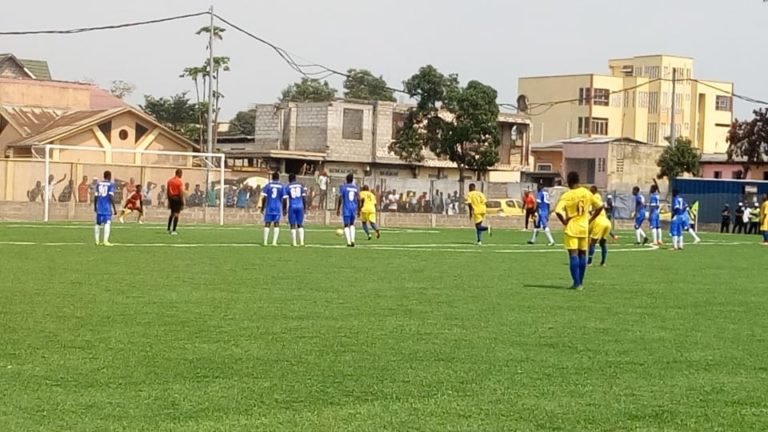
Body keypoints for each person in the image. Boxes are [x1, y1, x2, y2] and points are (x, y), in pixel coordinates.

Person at [555, 171, 602, 289]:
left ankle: (576, 283)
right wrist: (591, 219)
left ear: (568, 182)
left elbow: (557, 211)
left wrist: (564, 221)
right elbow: (600, 207)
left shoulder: (567, 195)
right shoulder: (586, 193)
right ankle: (580, 282)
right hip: (584, 227)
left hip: (571, 228)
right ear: (578, 181)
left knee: (573, 254)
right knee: (582, 254)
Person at [588, 186, 612, 267]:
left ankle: (589, 262)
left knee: (592, 243)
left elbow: (590, 210)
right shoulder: (599, 198)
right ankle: (603, 262)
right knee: (603, 243)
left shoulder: (592, 199)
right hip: (607, 222)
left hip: (599, 222)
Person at [261, 172, 285, 246]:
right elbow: (284, 199)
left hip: (269, 206)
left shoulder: (268, 186)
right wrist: (284, 209)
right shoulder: (281, 186)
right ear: (278, 178)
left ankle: (265, 242)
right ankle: (274, 242)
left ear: (272, 177)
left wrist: (262, 207)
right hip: (277, 207)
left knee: (267, 223)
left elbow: (264, 197)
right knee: (276, 223)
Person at [93, 170, 117, 246]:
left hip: (99, 207)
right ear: (109, 176)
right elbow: (111, 196)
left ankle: (97, 241)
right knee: (107, 223)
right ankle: (105, 241)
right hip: (106, 208)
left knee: (98, 224)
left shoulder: (98, 184)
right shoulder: (111, 184)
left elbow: (96, 196)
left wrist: (95, 206)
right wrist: (114, 208)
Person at [284, 174, 307, 247]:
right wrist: (305, 207)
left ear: (289, 179)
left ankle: (294, 242)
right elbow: (304, 198)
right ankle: (302, 242)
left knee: (292, 224)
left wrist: (284, 209)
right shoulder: (300, 186)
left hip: (292, 206)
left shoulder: (288, 187)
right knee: (300, 224)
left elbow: (285, 199)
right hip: (300, 206)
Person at [337, 173, 359, 247]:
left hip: (346, 208)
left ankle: (349, 242)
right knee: (352, 224)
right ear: (352, 180)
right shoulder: (356, 188)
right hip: (354, 208)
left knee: (346, 225)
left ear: (346, 180)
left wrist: (338, 208)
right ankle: (353, 240)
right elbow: (358, 199)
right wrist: (358, 209)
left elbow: (340, 198)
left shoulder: (344, 187)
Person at [166, 169, 184, 235]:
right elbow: (181, 192)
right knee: (176, 214)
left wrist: (169, 200)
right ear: (179, 173)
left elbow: (167, 191)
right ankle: (174, 230)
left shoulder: (170, 181)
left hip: (171, 198)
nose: (182, 175)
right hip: (177, 198)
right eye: (181, 173)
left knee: (172, 213)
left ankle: (168, 229)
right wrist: (182, 202)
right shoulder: (179, 182)